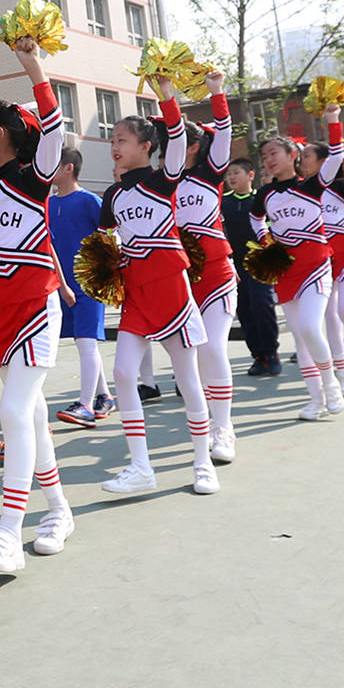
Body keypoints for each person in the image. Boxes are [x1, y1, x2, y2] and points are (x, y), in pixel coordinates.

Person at [0, 37, 76, 569]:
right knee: (30, 414)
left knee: (12, 412)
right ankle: (59, 509)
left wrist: (32, 65)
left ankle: (8, 531)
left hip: (35, 306)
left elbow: (54, 129)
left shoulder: (33, 178)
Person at [98, 77, 218, 494]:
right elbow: (107, 241)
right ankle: (140, 466)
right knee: (123, 372)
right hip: (136, 292)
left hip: (170, 286)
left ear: (146, 146)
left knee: (187, 378)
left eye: (124, 140)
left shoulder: (162, 180)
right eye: (112, 139)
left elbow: (179, 133)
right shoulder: (111, 195)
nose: (115, 146)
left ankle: (203, 462)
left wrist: (167, 92)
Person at [253, 106, 344, 421]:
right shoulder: (265, 193)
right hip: (286, 271)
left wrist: (333, 122)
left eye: (274, 152)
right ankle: (315, 399)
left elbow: (334, 158)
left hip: (317, 265)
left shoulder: (311, 185)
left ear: (293, 154)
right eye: (265, 155)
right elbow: (256, 219)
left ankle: (332, 383)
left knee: (310, 326)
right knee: (301, 337)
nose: (268, 159)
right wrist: (266, 242)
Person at [171, 73, 239, 461]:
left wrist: (217, 93)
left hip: (216, 274)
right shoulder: (163, 180)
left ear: (195, 145)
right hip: (180, 278)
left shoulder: (210, 174)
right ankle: (205, 426)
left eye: (180, 138)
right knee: (193, 358)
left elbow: (225, 134)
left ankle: (224, 429)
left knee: (213, 347)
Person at [299, 140, 344, 393]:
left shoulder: (340, 186)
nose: (302, 160)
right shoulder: (302, 190)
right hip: (322, 259)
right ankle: (342, 376)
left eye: (307, 155)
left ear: (324, 161)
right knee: (329, 316)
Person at [48, 147, 113, 428]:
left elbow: (110, 238)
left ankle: (86, 405)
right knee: (82, 342)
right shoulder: (47, 204)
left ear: (68, 168)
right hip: (61, 286)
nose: (48, 170)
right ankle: (105, 397)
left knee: (86, 342)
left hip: (89, 284)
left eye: (54, 164)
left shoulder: (90, 201)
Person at [222, 158, 281, 376]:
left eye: (236, 172)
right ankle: (258, 356)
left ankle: (271, 354)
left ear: (250, 175)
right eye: (229, 174)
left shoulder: (260, 199)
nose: (232, 177)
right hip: (234, 265)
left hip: (259, 262)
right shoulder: (223, 201)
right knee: (244, 310)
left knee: (261, 305)